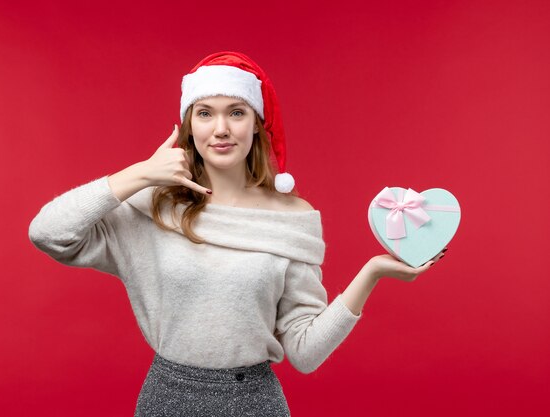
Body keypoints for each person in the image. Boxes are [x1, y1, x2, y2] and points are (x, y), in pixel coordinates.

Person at [28, 51, 447, 417]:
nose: (221, 129)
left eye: (236, 111)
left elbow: (304, 352)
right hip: (167, 400)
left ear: (257, 125)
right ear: (188, 126)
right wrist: (138, 175)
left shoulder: (292, 218)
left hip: (255, 403)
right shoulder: (153, 207)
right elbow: (48, 233)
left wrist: (371, 272)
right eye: (205, 113)